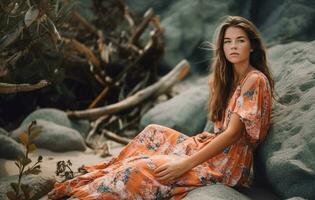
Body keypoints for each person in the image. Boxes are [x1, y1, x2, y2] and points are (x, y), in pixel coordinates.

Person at [48, 15, 274, 200]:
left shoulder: (254, 79)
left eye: (240, 40)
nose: (233, 46)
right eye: (227, 41)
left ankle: (88, 194)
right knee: (152, 132)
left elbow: (233, 133)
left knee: (144, 169)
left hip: (228, 163)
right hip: (212, 146)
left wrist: (185, 164)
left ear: (252, 45)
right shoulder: (228, 79)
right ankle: (97, 180)